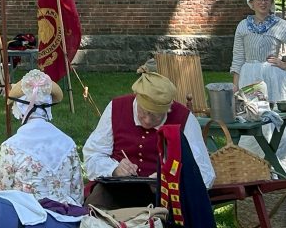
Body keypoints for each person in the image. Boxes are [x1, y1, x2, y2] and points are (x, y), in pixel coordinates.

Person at [83, 66, 214, 209]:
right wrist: (114, 169)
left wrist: (166, 180)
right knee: (94, 212)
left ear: (168, 109)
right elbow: (92, 155)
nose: (147, 120)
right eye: (143, 112)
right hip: (114, 190)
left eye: (155, 115)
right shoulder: (116, 108)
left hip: (165, 198)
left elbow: (205, 173)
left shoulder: (185, 119)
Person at [229, 0, 286, 170]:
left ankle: (279, 165)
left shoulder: (280, 25)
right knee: (252, 118)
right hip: (249, 77)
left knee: (276, 121)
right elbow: (238, 58)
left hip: (274, 78)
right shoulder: (243, 26)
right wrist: (235, 87)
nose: (263, 2)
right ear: (251, 2)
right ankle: (253, 165)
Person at [0, 69, 83, 207]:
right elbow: (77, 195)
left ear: (20, 109)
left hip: (25, 219)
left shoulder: (11, 147)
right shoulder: (68, 144)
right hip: (65, 219)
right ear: (48, 106)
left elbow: (1, 194)